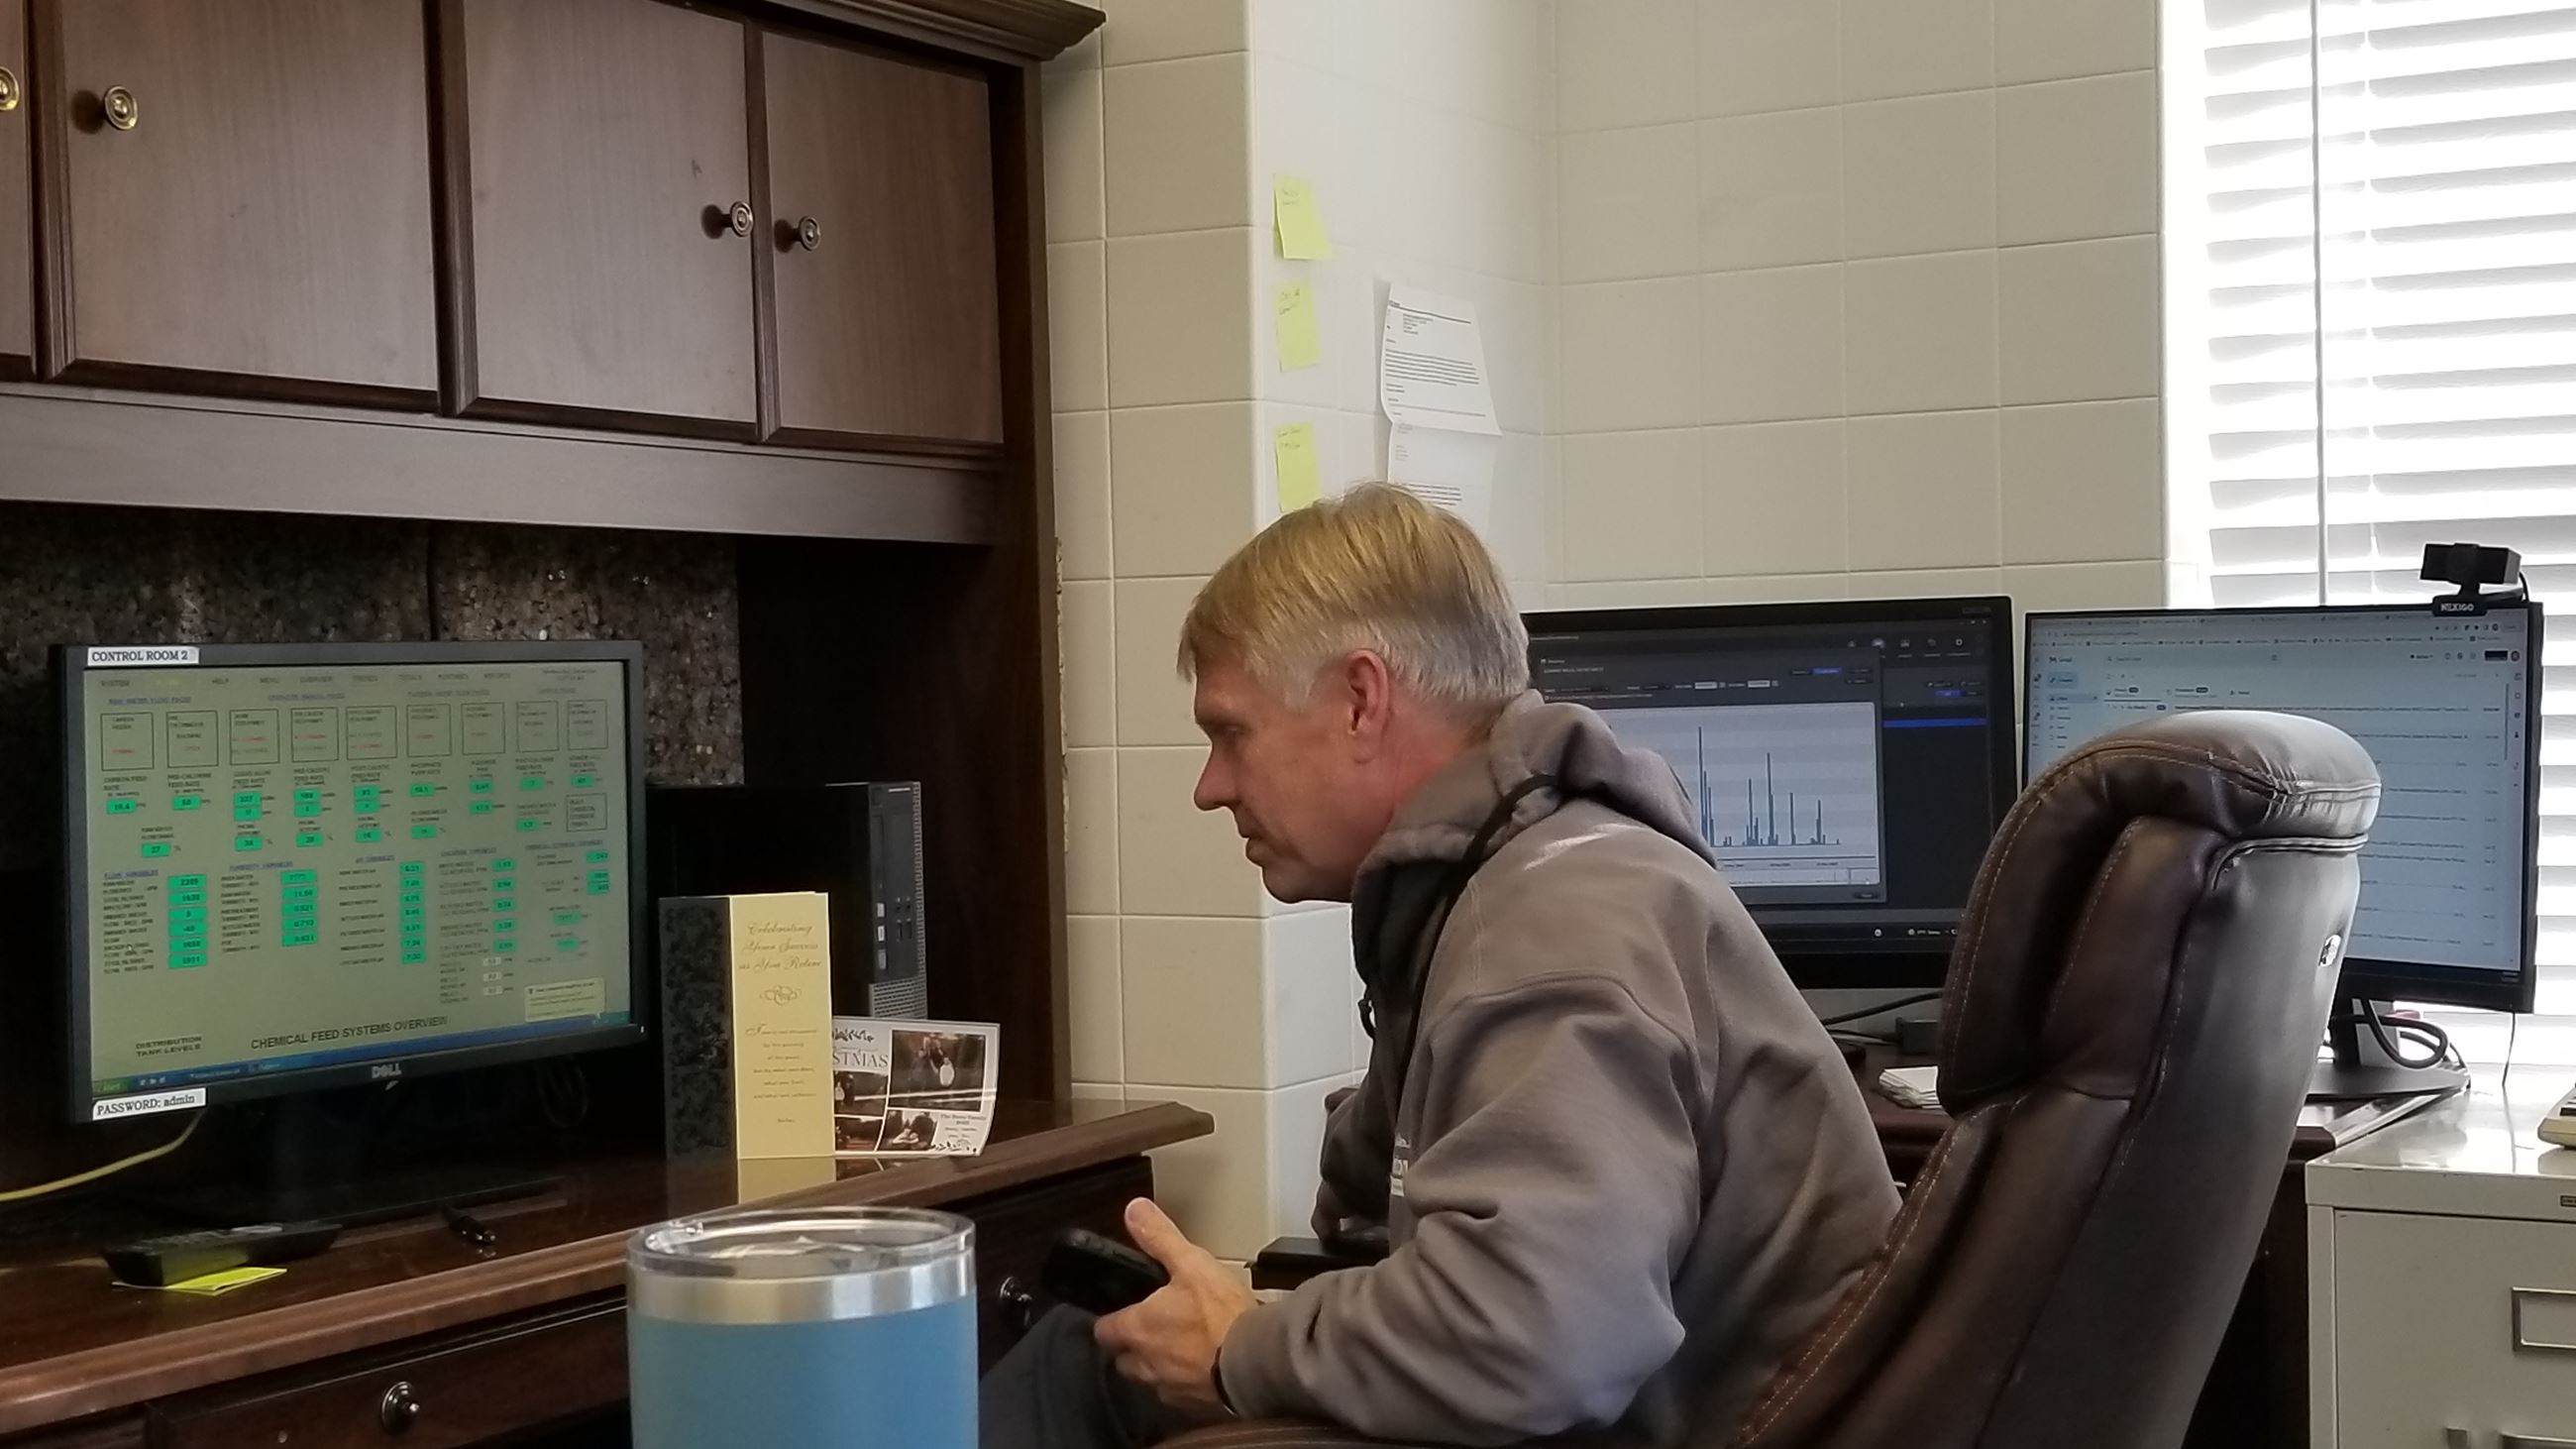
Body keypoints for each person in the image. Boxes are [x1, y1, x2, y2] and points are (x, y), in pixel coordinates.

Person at [981, 485, 1898, 1447]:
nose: (1210, 788)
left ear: (1360, 701)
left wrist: (1238, 1348)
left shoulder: (1555, 922)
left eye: (1230, 733)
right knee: (1103, 1350)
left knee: (1081, 1365)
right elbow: (1384, 1208)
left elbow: (1535, 1339)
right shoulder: (1505, 878)